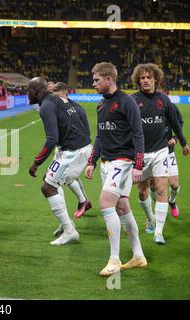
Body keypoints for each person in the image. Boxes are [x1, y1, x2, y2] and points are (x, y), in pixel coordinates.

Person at [85, 62, 146, 276]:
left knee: (105, 203)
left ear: (108, 79)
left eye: (96, 80)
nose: (93, 84)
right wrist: (92, 161)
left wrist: (138, 165)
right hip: (106, 164)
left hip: (123, 162)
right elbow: (101, 135)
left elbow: (138, 134)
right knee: (121, 208)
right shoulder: (101, 105)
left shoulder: (126, 102)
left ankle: (114, 259)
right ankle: (138, 255)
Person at [28, 77, 92, 246]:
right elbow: (79, 113)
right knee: (49, 181)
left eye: (29, 90)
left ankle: (70, 230)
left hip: (74, 151)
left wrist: (36, 163)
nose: (27, 94)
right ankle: (66, 224)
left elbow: (51, 139)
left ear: (35, 91)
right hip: (74, 148)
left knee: (48, 187)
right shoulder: (58, 100)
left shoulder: (47, 106)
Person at [130, 63, 188, 244]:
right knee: (142, 191)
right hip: (140, 153)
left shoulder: (164, 100)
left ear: (156, 79)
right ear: (138, 80)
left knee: (162, 189)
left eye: (149, 77)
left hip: (161, 151)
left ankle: (159, 232)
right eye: (142, 78)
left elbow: (175, 122)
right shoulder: (132, 101)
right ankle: (150, 218)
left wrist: (183, 142)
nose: (145, 80)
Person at [52, 82, 92, 220]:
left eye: (57, 95)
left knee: (64, 177)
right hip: (65, 146)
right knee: (71, 176)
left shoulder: (76, 108)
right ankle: (85, 200)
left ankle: (82, 201)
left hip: (77, 147)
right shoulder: (59, 107)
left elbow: (86, 130)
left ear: (64, 93)